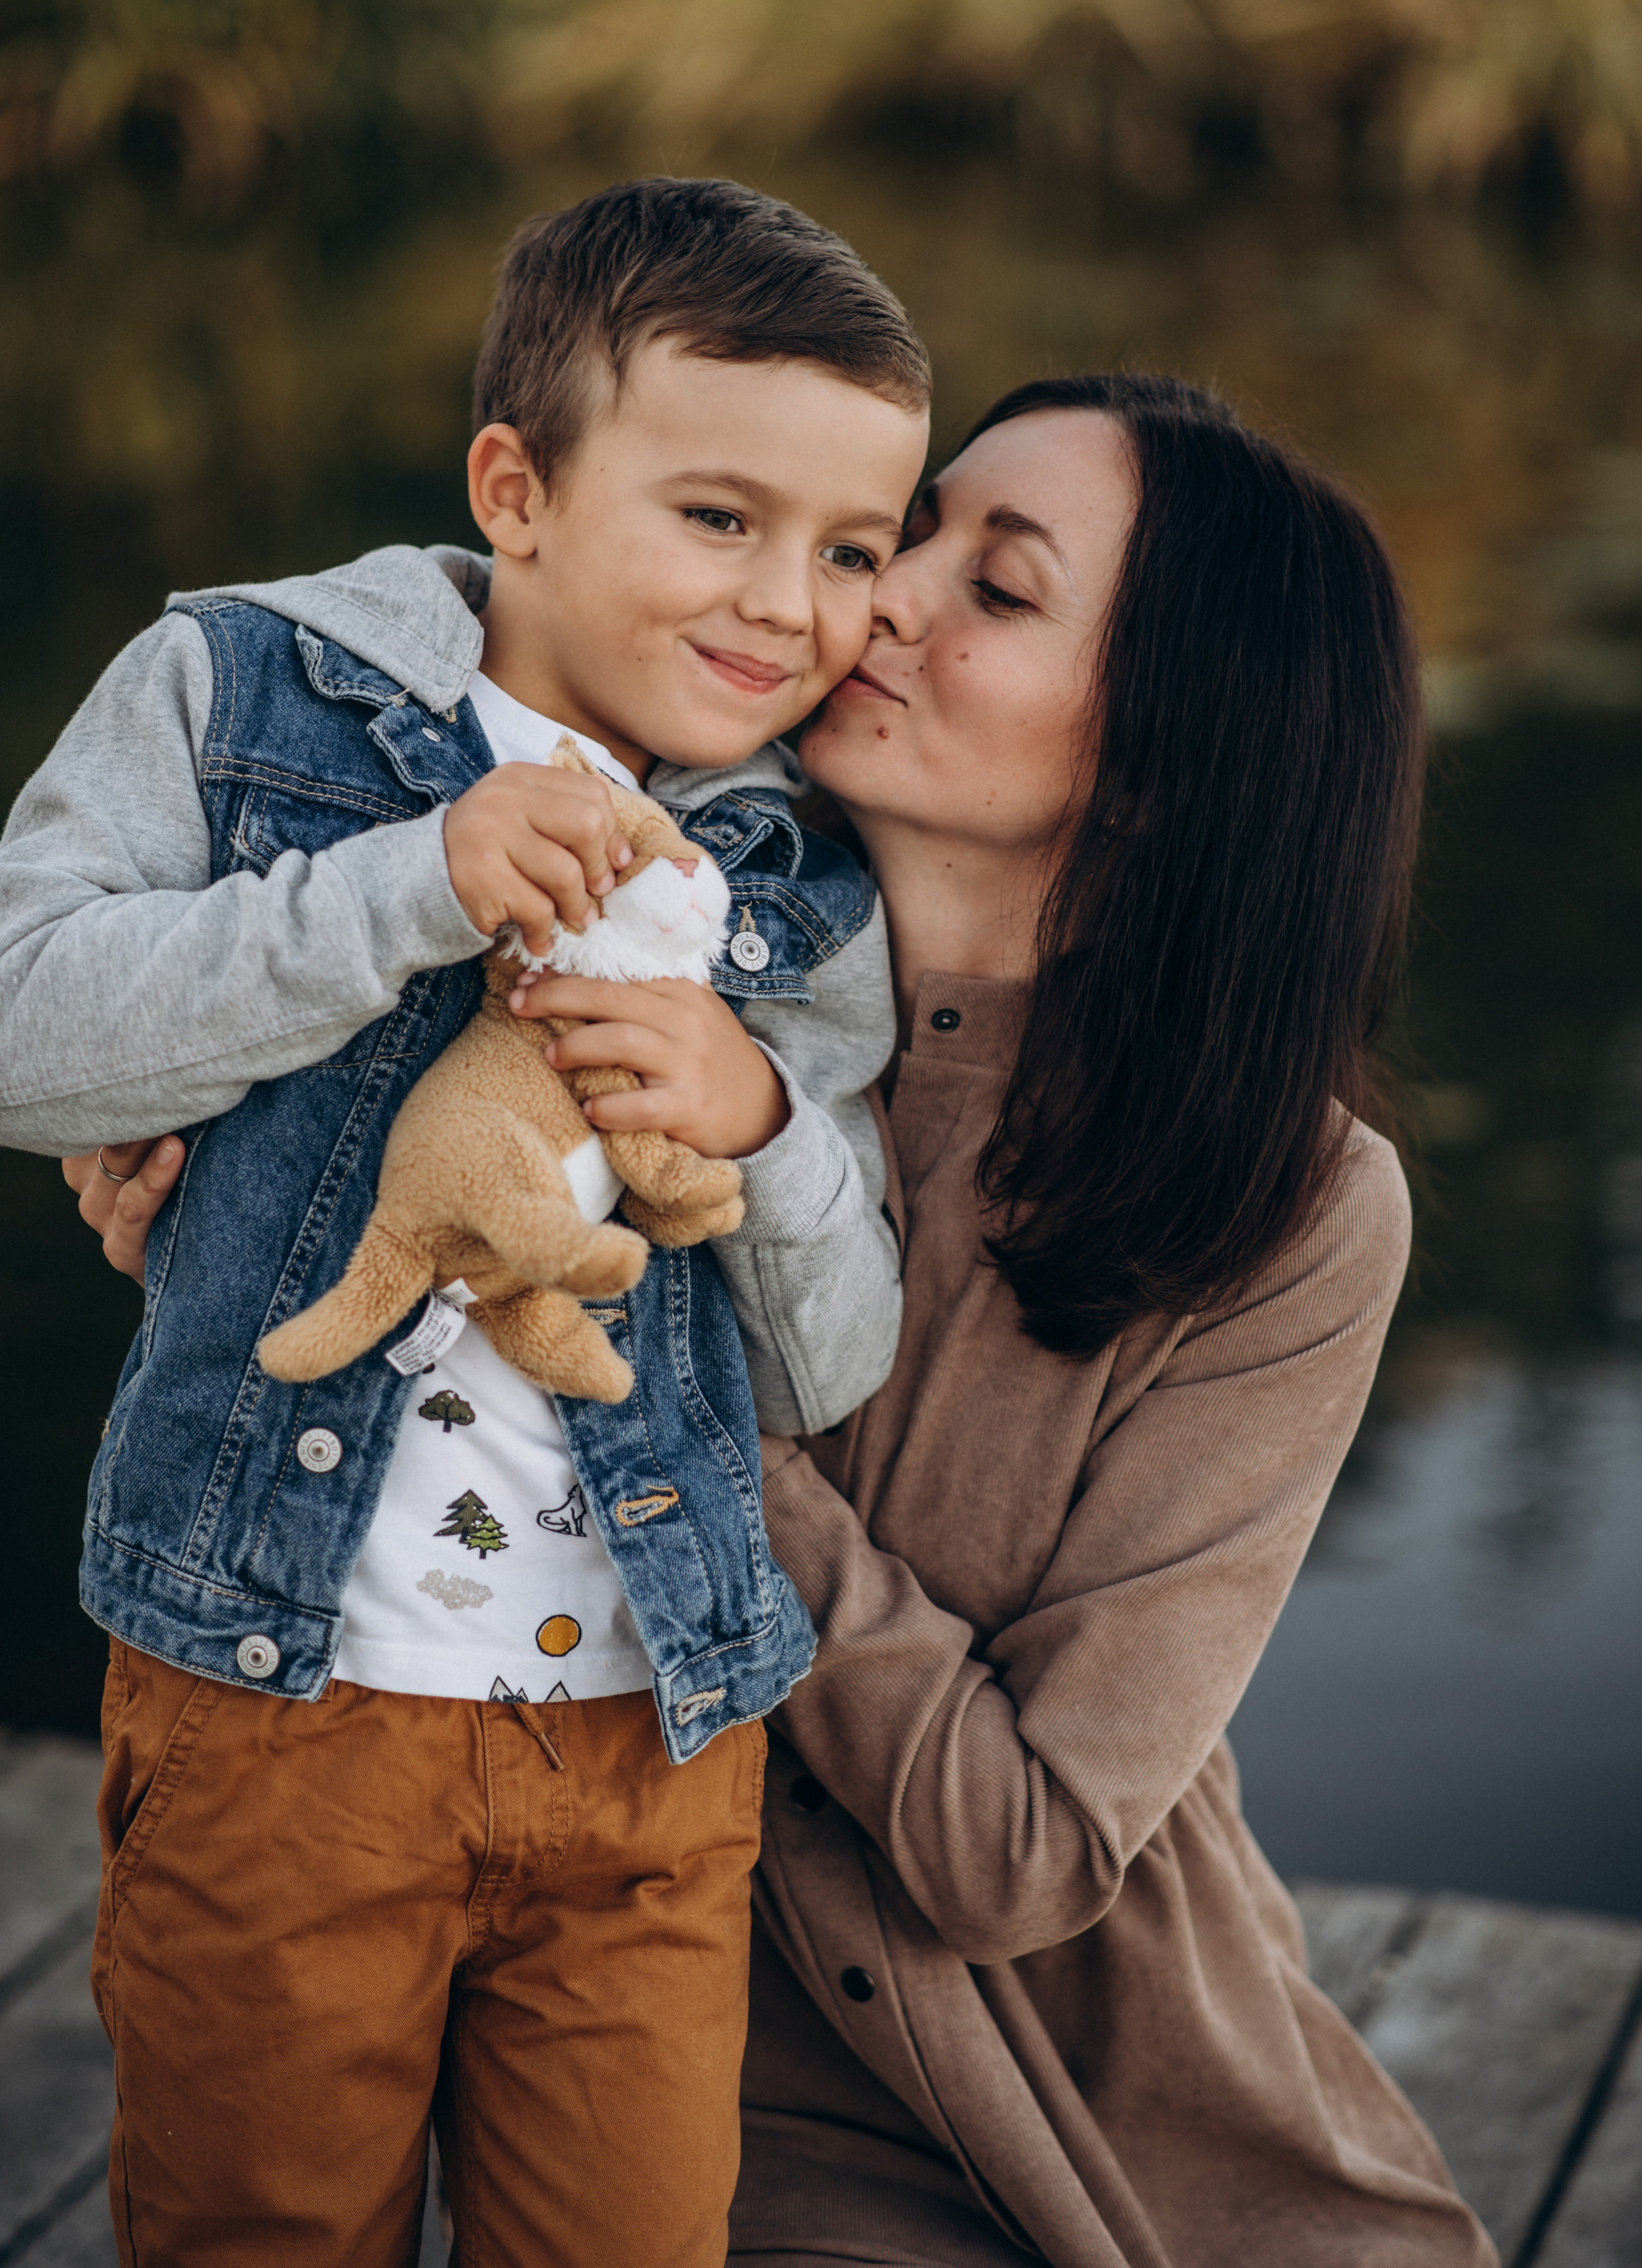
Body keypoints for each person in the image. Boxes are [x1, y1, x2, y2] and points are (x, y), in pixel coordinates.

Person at [71, 369, 1498, 2267]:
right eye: (912, 535)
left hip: (1091, 2120)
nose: (879, 596)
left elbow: (1023, 1848)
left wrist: (623, 1416)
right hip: (679, 2087)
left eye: (999, 589)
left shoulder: (1294, 1211)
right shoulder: (583, 930)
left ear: (1163, 760)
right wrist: (222, 1210)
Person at [0, 178, 931, 2267]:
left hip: (651, 1739)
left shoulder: (805, 878)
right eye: (719, 517)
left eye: (854, 549)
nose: (792, 605)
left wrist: (762, 1118)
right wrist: (409, 886)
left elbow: (837, 1357)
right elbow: (21, 1034)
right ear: (516, 489)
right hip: (280, 1698)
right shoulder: (247, 695)